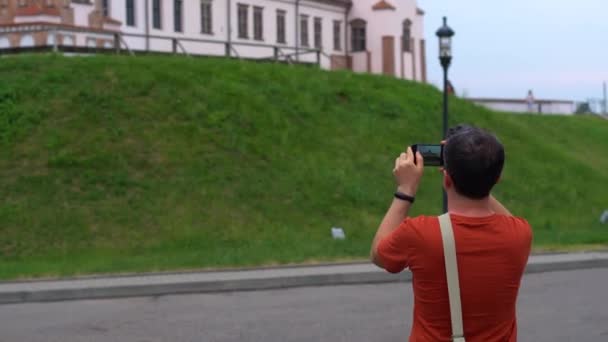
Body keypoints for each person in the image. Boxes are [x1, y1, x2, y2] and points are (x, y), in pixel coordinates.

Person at [370, 124, 532, 342]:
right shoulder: (519, 234)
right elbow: (507, 218)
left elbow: (379, 255)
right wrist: (475, 172)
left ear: (446, 179)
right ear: (497, 179)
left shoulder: (420, 234)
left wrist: (406, 190)